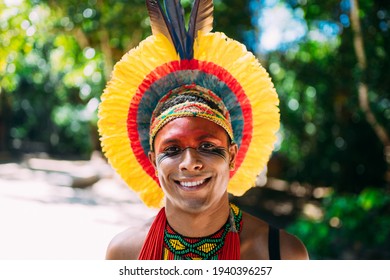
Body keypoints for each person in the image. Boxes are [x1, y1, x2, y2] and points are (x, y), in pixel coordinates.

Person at [98, 0, 308, 260]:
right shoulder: (125, 254)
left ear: (232, 155)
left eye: (208, 146)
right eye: (172, 149)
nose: (190, 163)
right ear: (153, 161)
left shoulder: (281, 254)